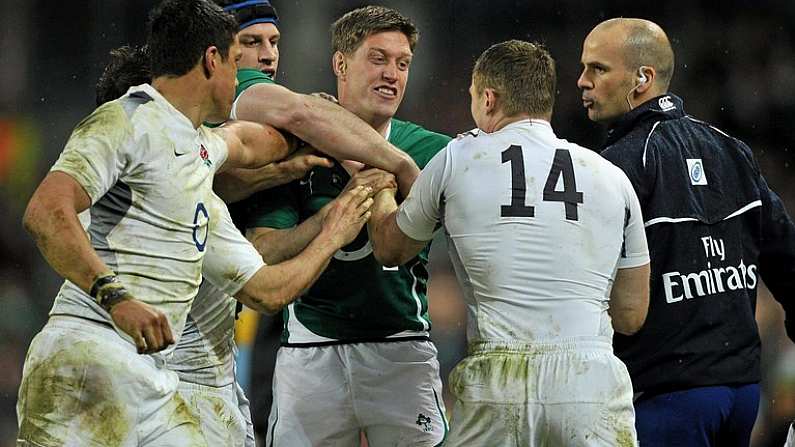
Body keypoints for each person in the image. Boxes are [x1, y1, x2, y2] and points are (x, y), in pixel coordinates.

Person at [16, 1, 374, 445]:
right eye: (234, 59)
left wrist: (315, 134)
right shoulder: (129, 117)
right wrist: (116, 297)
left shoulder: (198, 149)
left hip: (151, 375)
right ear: (212, 59)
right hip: (90, 350)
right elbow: (45, 213)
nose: (242, 75)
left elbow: (253, 141)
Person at [368, 39, 651, 447]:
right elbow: (630, 313)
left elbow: (390, 249)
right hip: (589, 382)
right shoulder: (612, 177)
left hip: (498, 379)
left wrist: (379, 182)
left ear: (488, 98)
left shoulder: (457, 158)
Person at [578, 18, 795, 447]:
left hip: (669, 400)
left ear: (642, 79)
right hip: (742, 396)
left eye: (598, 69)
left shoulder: (616, 167)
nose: (582, 81)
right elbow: (787, 258)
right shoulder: (732, 150)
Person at [246, 6, 452, 446]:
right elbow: (262, 252)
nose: (392, 74)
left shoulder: (434, 150)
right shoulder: (293, 147)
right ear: (340, 63)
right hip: (309, 352)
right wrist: (331, 218)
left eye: (402, 64)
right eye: (377, 59)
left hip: (402, 349)